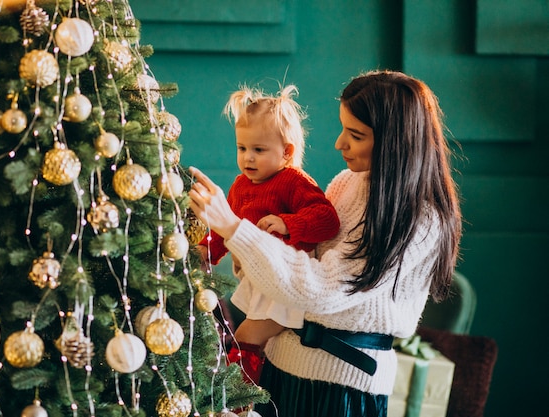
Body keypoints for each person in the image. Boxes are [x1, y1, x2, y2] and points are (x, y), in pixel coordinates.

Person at [189, 70, 462, 417]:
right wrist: (250, 257)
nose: (339, 144)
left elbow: (321, 288)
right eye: (343, 128)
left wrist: (233, 227)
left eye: (356, 135)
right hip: (279, 369)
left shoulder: (419, 218)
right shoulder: (346, 182)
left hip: (340, 389)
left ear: (395, 142)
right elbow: (295, 263)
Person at [197, 84, 341, 385]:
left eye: (258, 150)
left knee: (247, 336)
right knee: (249, 338)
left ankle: (238, 396)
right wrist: (205, 252)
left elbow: (327, 219)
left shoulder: (293, 181)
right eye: (242, 148)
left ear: (286, 152)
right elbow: (225, 230)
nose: (248, 158)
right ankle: (252, 393)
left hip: (285, 281)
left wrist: (289, 223)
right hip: (258, 279)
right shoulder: (240, 186)